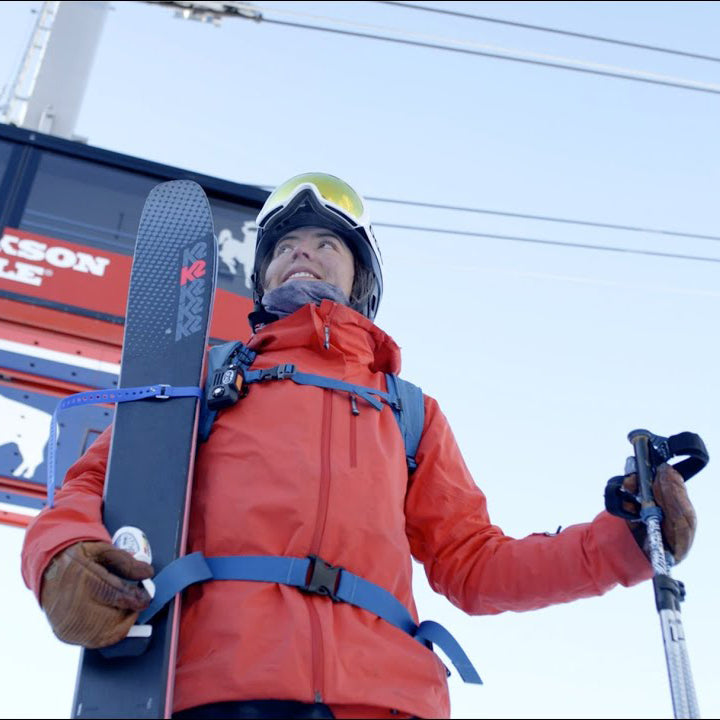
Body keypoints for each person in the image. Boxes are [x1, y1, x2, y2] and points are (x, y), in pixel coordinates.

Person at [21, 172, 697, 719]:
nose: (300, 253)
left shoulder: (407, 414)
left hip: (384, 699)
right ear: (261, 278)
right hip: (215, 687)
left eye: (325, 243)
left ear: (361, 281)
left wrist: (623, 543)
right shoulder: (202, 384)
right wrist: (62, 559)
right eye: (284, 246)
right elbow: (91, 489)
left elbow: (475, 566)